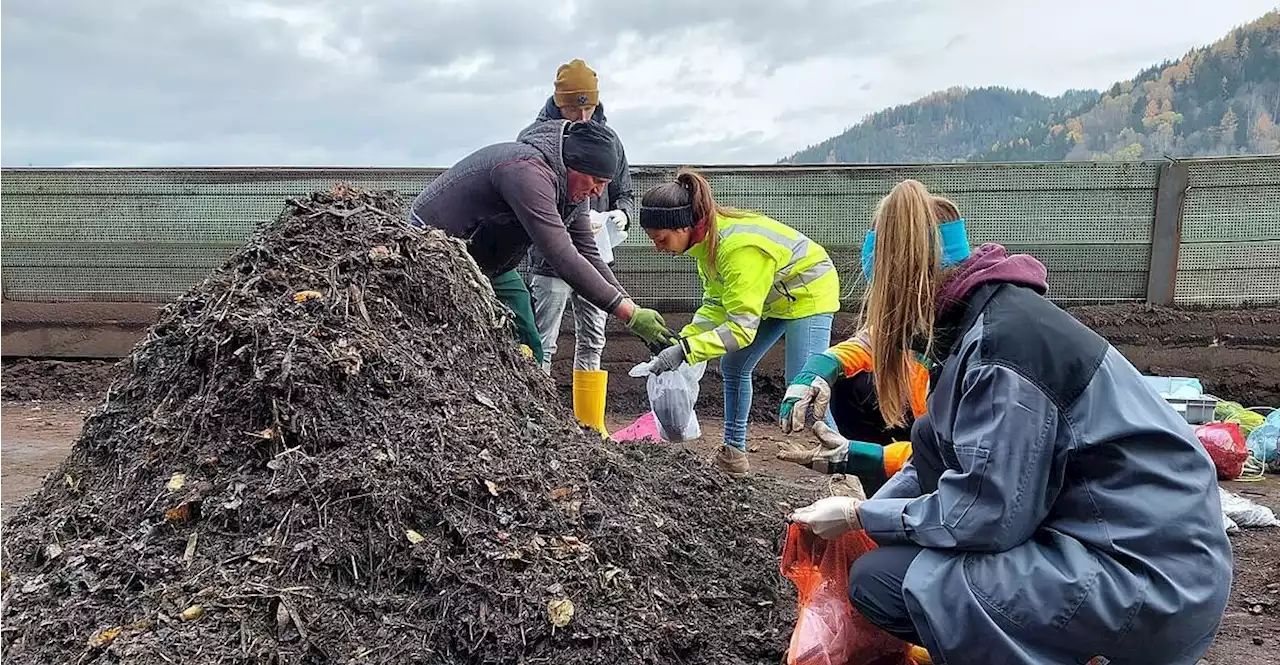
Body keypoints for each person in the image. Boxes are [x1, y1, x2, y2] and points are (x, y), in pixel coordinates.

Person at [788, 180, 1232, 665]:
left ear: (900, 289)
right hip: (1139, 553)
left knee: (884, 581)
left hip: (1145, 581)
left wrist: (859, 516)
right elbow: (937, 460)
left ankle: (1076, 654)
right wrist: (872, 517)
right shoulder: (986, 324)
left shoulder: (1003, 351)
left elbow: (986, 515)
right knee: (892, 560)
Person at [407, 119, 671, 362]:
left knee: (526, 333)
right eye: (596, 181)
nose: (598, 192)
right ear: (574, 165)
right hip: (435, 249)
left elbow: (589, 253)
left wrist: (632, 308)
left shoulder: (573, 192)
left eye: (605, 183)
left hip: (486, 260)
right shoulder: (526, 171)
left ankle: (528, 408)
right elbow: (560, 253)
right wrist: (627, 313)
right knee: (463, 334)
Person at [637, 168, 840, 477]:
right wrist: (684, 341)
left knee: (805, 385)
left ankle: (845, 470)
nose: (657, 247)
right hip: (772, 296)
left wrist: (685, 351)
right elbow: (717, 305)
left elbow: (740, 329)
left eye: (661, 239)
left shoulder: (737, 249)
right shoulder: (706, 246)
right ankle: (733, 454)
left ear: (683, 226)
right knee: (733, 367)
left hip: (808, 291)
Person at [524, 59, 634, 375]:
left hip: (596, 254)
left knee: (593, 342)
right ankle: (539, 414)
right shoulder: (535, 139)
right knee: (542, 342)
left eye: (589, 108)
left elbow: (624, 191)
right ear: (560, 104)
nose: (583, 117)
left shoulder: (610, 140)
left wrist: (620, 215)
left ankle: (587, 420)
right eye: (574, 109)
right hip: (550, 260)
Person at [775, 328, 930, 495]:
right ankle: (884, 497)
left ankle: (915, 500)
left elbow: (950, 454)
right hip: (924, 419)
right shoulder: (925, 314)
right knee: (851, 381)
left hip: (949, 458)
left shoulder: (960, 360)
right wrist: (823, 366)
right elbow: (872, 342)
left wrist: (872, 458)